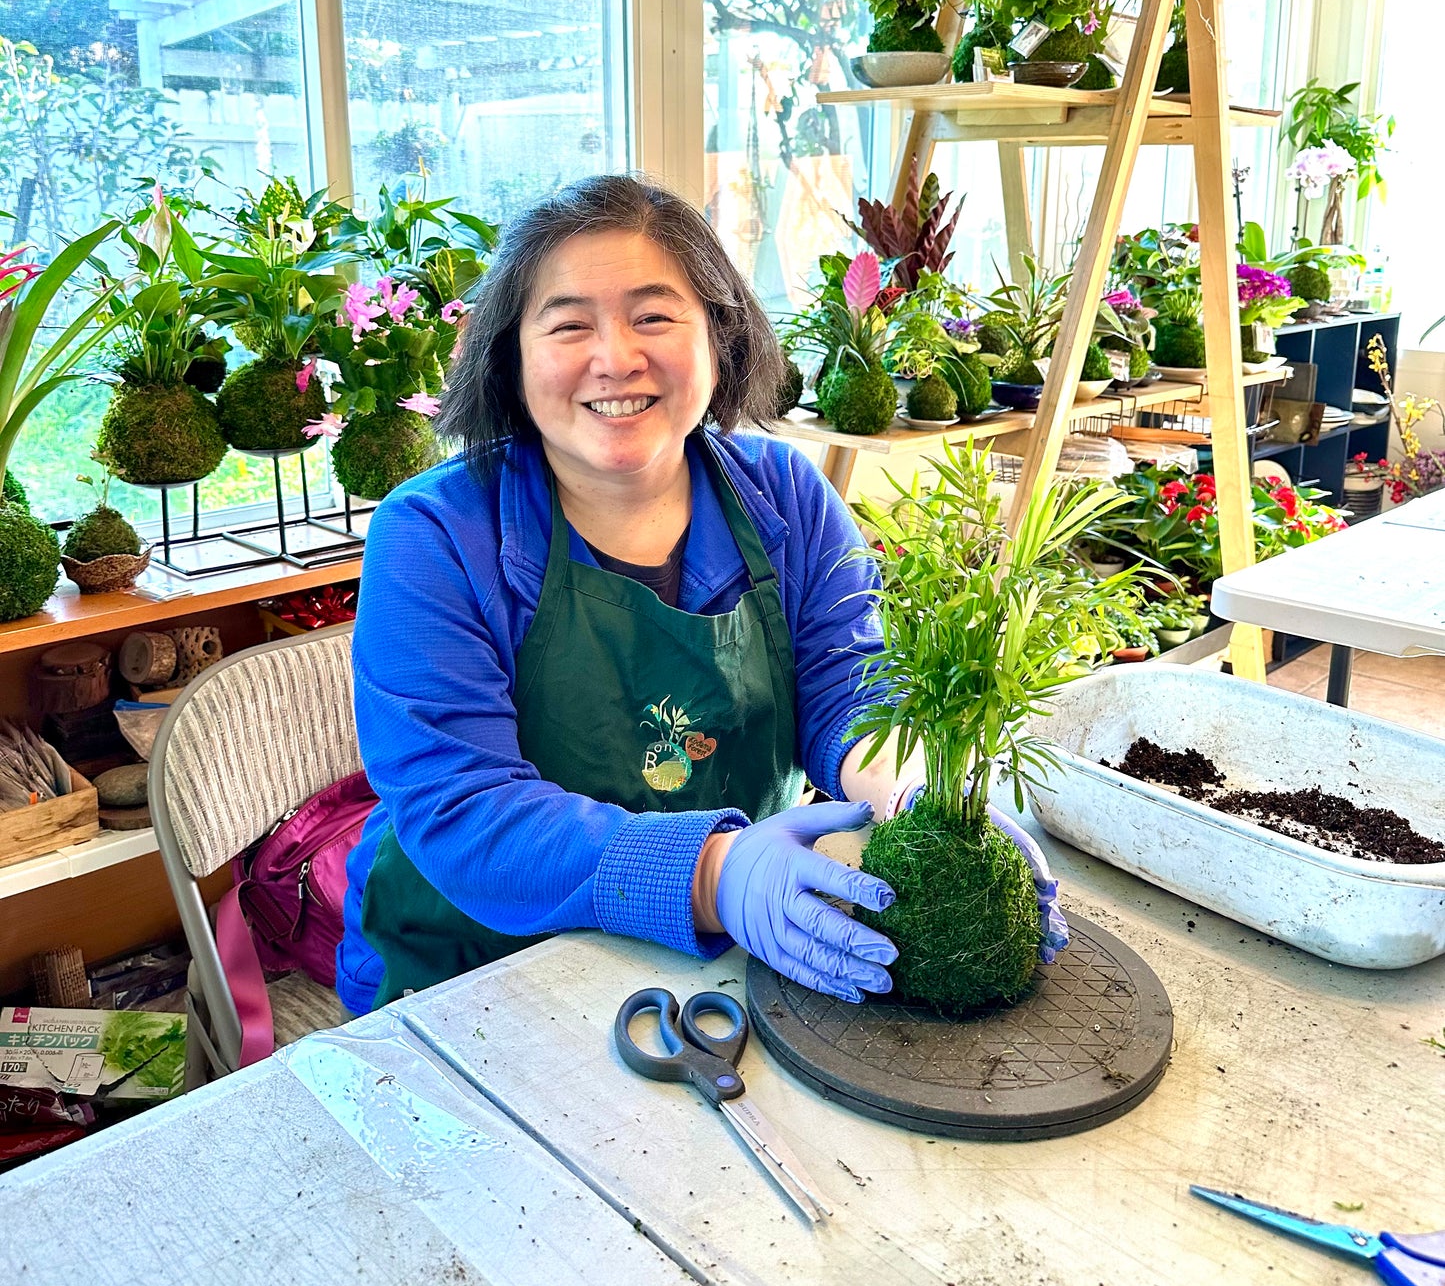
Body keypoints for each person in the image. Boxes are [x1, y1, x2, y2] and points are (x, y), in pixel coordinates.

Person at [337, 175, 1060, 1014]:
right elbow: (464, 805)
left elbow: (849, 683)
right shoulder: (434, 534)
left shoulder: (785, 495)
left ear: (718, 336)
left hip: (715, 961)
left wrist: (916, 795)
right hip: (472, 965)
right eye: (569, 324)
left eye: (653, 316)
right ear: (510, 356)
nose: (615, 357)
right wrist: (719, 873)